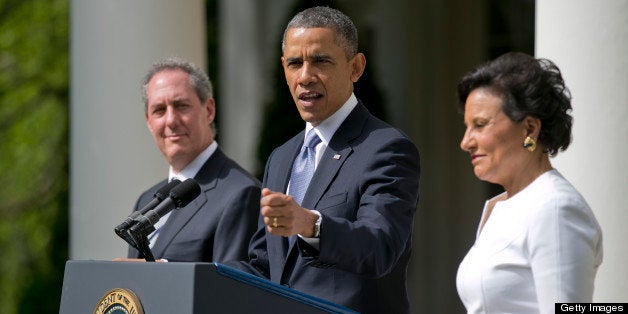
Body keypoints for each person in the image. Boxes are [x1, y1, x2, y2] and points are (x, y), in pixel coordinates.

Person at [225, 6, 420, 314]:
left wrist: (311, 225)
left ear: (355, 67)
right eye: (294, 63)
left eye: (320, 61)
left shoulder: (386, 149)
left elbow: (380, 248)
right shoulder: (282, 157)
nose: (305, 76)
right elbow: (265, 266)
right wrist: (180, 271)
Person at [455, 52, 603, 313]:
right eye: (467, 127)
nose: (466, 142)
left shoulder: (555, 209)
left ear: (529, 129)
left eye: (480, 125)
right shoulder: (502, 206)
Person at [123, 57, 261, 262]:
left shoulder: (240, 194)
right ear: (149, 121)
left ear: (209, 110)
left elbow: (232, 288)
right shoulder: (146, 200)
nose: (171, 120)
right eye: (159, 110)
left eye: (181, 106)